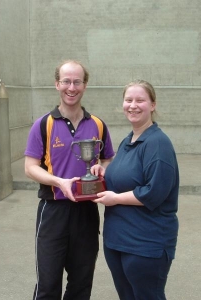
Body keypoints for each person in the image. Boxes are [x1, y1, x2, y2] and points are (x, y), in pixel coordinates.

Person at [24, 60, 115, 300]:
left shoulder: (97, 124)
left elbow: (108, 159)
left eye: (77, 81)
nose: (71, 87)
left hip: (86, 212)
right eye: (66, 81)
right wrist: (59, 182)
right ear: (57, 84)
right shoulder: (43, 124)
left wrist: (100, 168)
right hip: (53, 211)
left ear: (85, 85)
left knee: (81, 284)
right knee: (48, 285)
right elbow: (30, 168)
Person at [92, 79, 179, 300]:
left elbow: (154, 192)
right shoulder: (128, 140)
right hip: (118, 240)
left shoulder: (158, 144)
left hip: (145, 244)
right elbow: (123, 177)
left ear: (153, 105)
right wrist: (103, 173)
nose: (133, 105)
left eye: (140, 100)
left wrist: (116, 198)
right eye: (128, 99)